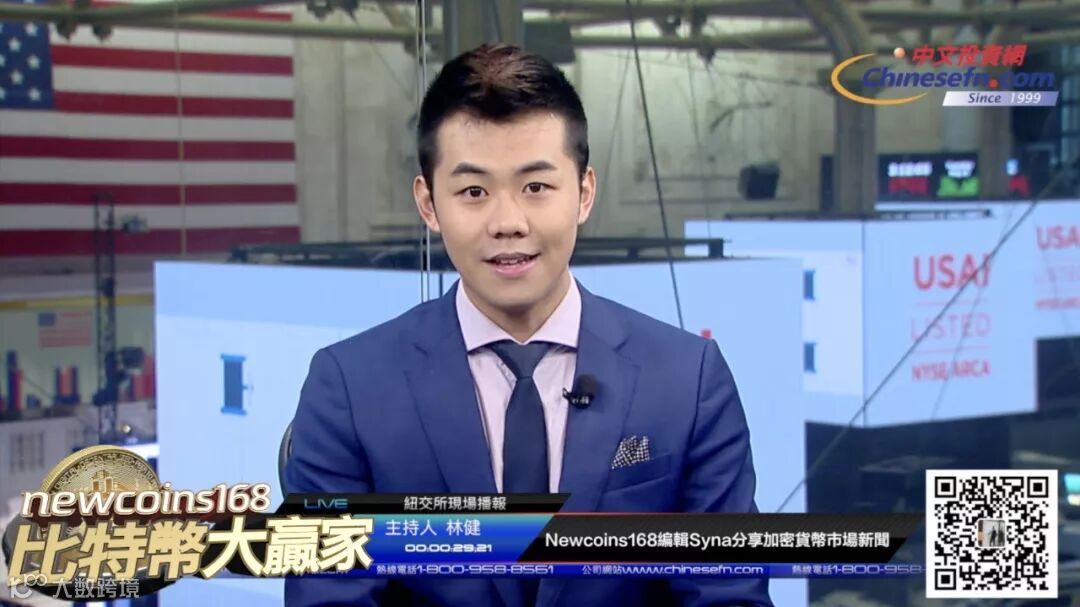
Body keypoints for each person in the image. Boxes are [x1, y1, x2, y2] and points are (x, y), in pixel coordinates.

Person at [285, 43, 772, 607]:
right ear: (429, 204)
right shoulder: (350, 387)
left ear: (584, 193)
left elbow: (728, 595)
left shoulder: (688, 379)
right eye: (473, 192)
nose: (508, 222)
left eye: (536, 187)